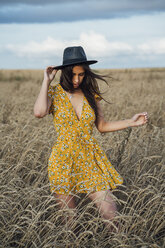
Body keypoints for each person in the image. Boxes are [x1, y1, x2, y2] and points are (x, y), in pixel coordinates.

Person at [33, 46, 148, 233]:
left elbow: (102, 126)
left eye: (81, 74)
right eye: (73, 75)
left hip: (90, 159)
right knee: (71, 226)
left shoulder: (91, 94)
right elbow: (39, 113)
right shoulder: (54, 93)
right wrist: (46, 81)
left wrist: (131, 122)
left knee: (112, 218)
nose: (77, 79)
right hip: (62, 160)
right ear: (64, 73)